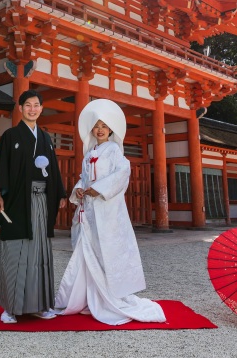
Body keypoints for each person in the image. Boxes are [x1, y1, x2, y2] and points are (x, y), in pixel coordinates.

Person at [54, 99, 166, 325]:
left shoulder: (114, 150)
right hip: (90, 211)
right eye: (96, 125)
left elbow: (122, 173)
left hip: (108, 211)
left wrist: (99, 189)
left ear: (111, 128)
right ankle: (85, 297)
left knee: (107, 252)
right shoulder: (90, 152)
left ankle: (109, 298)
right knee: (87, 252)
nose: (100, 129)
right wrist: (80, 190)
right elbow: (83, 179)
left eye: (104, 125)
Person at [0, 89, 67, 323]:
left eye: (36, 105)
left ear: (41, 109)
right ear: (21, 109)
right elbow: (1, 166)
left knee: (40, 252)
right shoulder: (10, 136)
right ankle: (9, 308)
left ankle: (40, 305)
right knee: (15, 250)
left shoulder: (45, 138)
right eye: (28, 105)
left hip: (41, 201)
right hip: (17, 201)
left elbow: (53, 168)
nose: (32, 109)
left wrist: (60, 193)